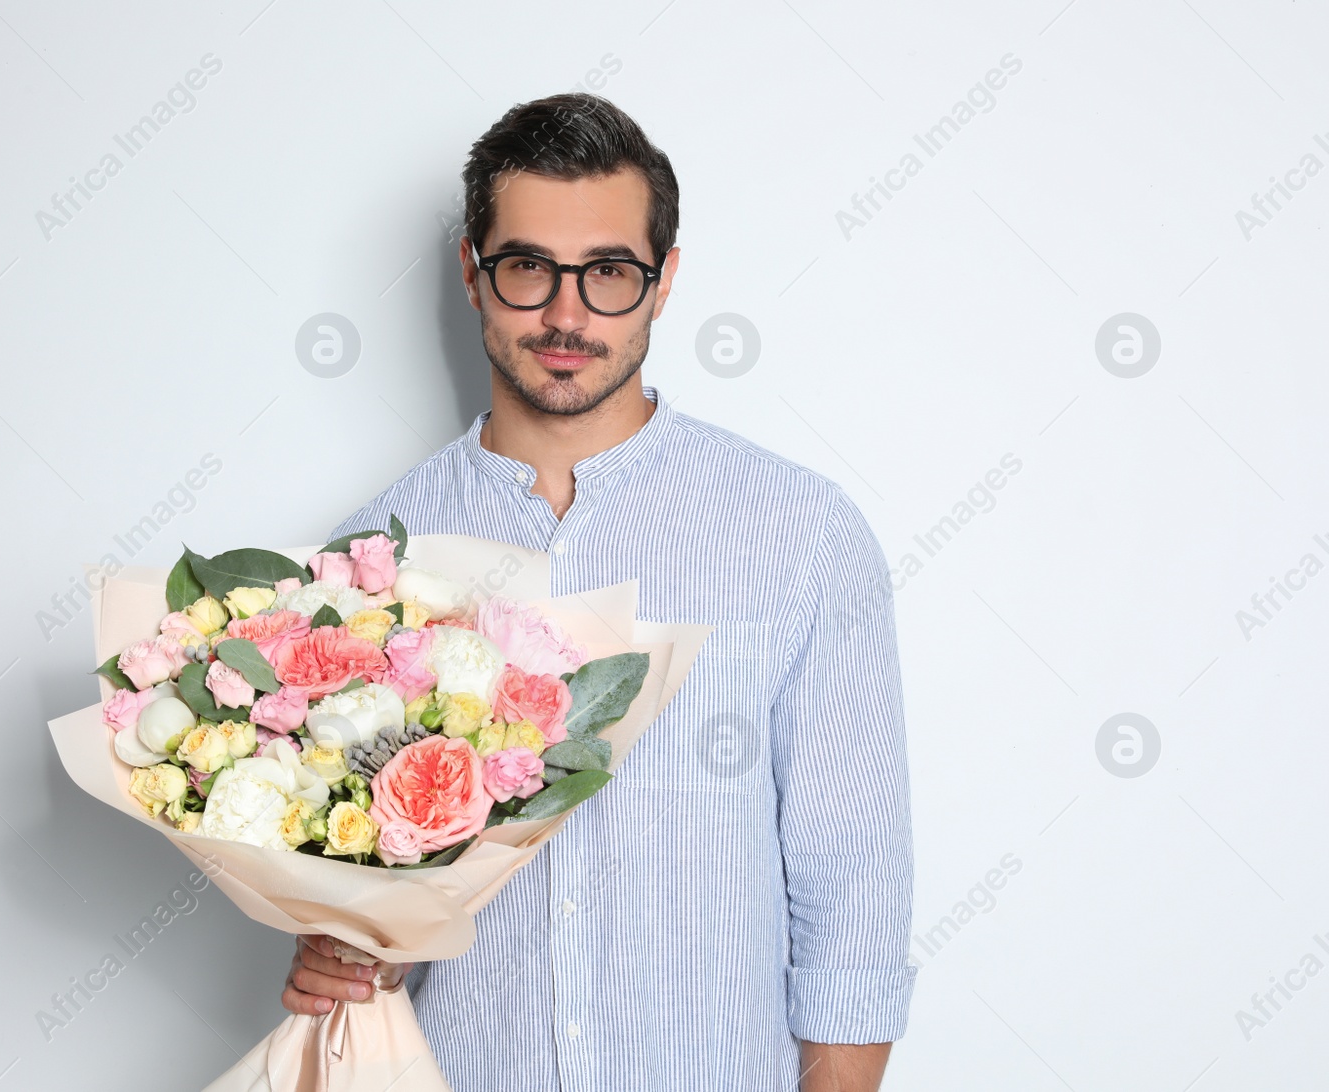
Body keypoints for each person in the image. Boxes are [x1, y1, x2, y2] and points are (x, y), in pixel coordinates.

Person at [282, 92, 914, 1092]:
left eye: (609, 273)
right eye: (529, 267)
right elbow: (362, 879)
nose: (567, 314)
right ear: (472, 275)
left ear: (662, 283)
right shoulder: (372, 557)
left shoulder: (798, 533)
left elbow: (853, 903)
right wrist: (340, 947)